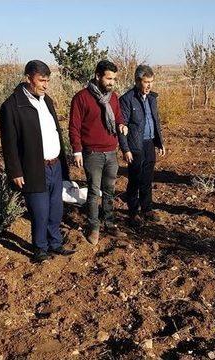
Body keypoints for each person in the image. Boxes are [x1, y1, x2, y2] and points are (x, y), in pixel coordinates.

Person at [0, 60, 74, 262]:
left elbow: (55, 133)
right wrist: (15, 171)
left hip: (55, 166)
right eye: (41, 80)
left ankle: (55, 243)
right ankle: (40, 249)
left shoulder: (46, 100)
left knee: (56, 209)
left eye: (47, 80)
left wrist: (63, 166)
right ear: (28, 78)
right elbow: (9, 143)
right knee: (39, 212)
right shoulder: (12, 106)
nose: (45, 85)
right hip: (33, 168)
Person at [68, 60, 128, 245]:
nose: (111, 82)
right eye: (108, 78)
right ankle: (93, 227)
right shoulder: (81, 98)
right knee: (94, 192)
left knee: (109, 190)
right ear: (97, 76)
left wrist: (121, 124)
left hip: (111, 152)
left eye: (114, 79)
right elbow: (74, 127)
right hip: (92, 153)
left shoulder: (114, 97)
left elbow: (118, 116)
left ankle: (109, 223)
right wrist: (77, 151)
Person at [119, 65, 165, 227]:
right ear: (137, 81)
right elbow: (121, 125)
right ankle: (133, 212)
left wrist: (160, 142)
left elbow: (155, 121)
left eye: (151, 82)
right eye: (146, 82)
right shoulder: (127, 99)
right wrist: (125, 149)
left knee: (147, 178)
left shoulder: (152, 98)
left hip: (149, 143)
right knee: (135, 180)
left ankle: (147, 209)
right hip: (135, 146)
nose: (149, 85)